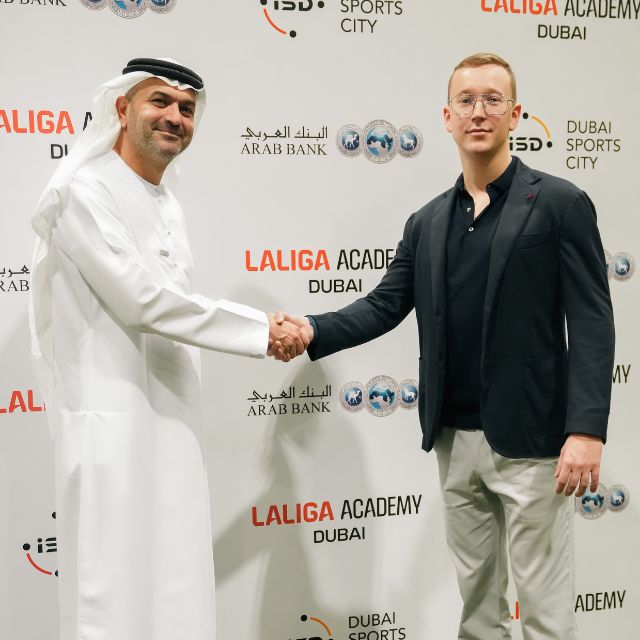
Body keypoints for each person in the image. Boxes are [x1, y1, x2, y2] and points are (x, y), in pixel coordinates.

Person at [273, 53, 615, 639]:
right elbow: (383, 305)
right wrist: (312, 328)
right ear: (447, 117)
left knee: (545, 612)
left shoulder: (559, 203)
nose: (478, 111)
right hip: (453, 440)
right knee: (477, 607)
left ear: (516, 115)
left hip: (533, 439)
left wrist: (586, 430)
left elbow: (591, 322)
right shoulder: (426, 221)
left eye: (492, 100)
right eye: (466, 101)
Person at [29, 58, 307, 640]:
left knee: (174, 582)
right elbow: (143, 302)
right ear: (122, 108)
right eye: (160, 102)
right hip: (111, 426)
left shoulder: (165, 200)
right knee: (110, 592)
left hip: (172, 424)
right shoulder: (84, 191)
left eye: (186, 109)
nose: (174, 118)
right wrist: (261, 330)